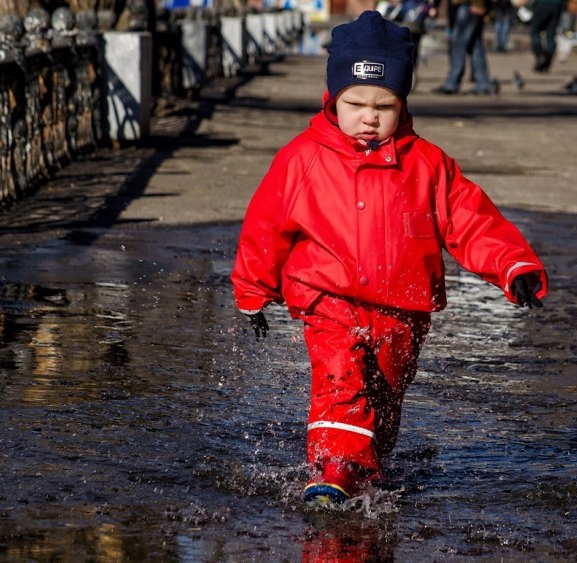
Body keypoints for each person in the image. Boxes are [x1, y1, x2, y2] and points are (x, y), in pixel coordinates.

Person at [231, 10, 548, 507]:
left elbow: (471, 221)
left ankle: (366, 473)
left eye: (385, 104)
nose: (369, 116)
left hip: (403, 311)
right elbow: (265, 226)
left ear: (404, 103)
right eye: (354, 103)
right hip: (329, 299)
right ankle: (333, 474)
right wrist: (253, 292)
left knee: (382, 400)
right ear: (334, 98)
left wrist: (514, 267)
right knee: (342, 382)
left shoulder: (428, 165)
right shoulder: (303, 159)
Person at [434, 0, 494, 95]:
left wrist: (478, 3)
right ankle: (483, 84)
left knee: (458, 43)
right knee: (475, 45)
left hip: (468, 4)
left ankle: (452, 83)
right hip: (465, 5)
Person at [529, 0, 566, 71]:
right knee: (551, 35)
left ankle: (540, 55)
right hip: (557, 5)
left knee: (535, 31)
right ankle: (547, 60)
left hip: (543, 4)